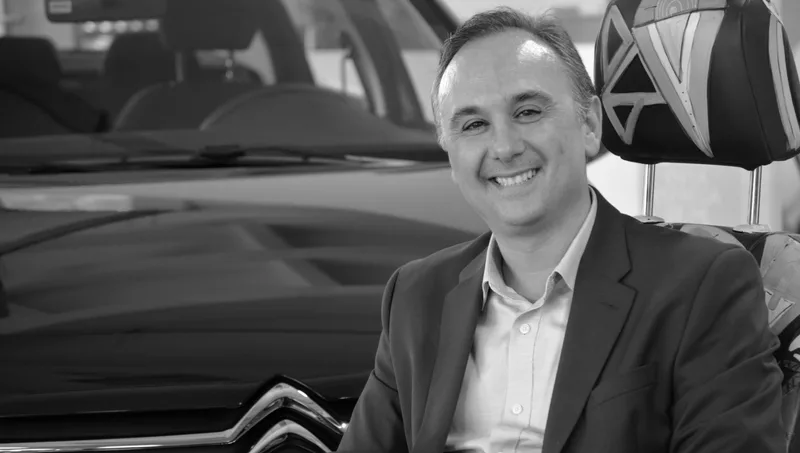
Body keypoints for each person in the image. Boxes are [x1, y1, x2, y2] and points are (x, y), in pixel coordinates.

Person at [336, 7, 785, 453]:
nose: (504, 147)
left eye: (528, 111)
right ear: (450, 155)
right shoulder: (415, 296)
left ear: (589, 125)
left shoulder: (703, 287)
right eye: (473, 125)